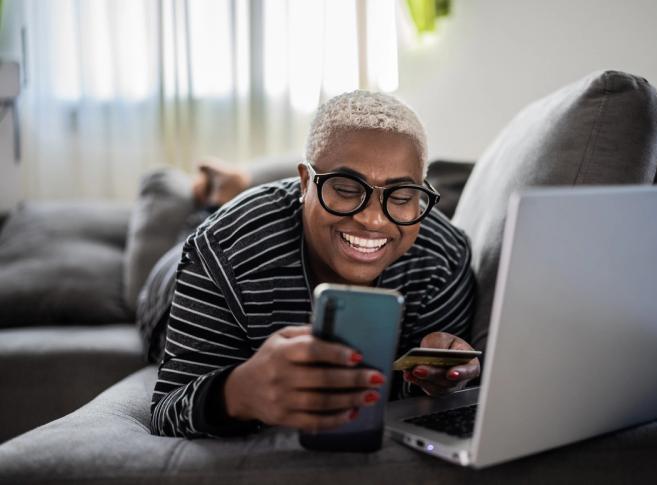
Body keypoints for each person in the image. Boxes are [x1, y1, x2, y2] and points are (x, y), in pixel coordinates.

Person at [150, 90, 479, 438]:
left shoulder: (444, 257)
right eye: (347, 188)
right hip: (167, 284)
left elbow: (422, 397)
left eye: (400, 196)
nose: (373, 220)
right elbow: (167, 408)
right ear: (305, 183)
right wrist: (236, 392)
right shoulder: (219, 250)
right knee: (191, 234)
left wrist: (435, 381)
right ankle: (215, 198)